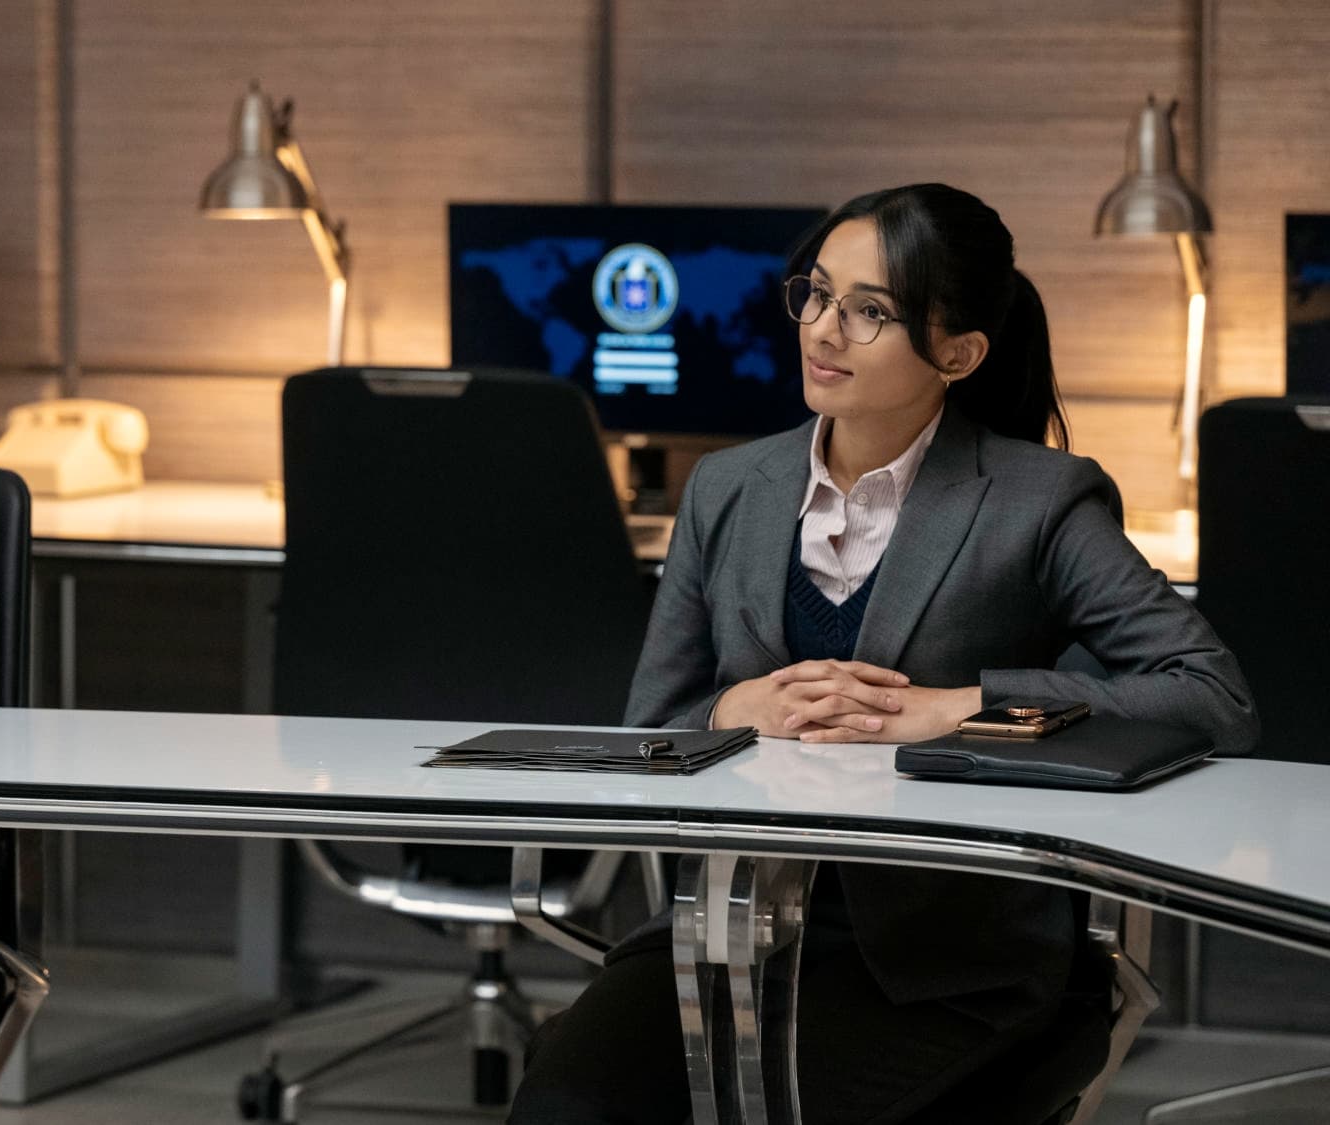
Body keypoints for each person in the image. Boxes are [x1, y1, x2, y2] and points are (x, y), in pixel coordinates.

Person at [509, 183, 1258, 1125]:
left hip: (949, 960)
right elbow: (650, 729)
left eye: (871, 311)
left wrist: (964, 706)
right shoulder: (727, 488)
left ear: (959, 353)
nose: (824, 330)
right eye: (817, 294)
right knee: (564, 1102)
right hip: (726, 936)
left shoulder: (1039, 500)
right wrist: (735, 710)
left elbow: (1212, 695)